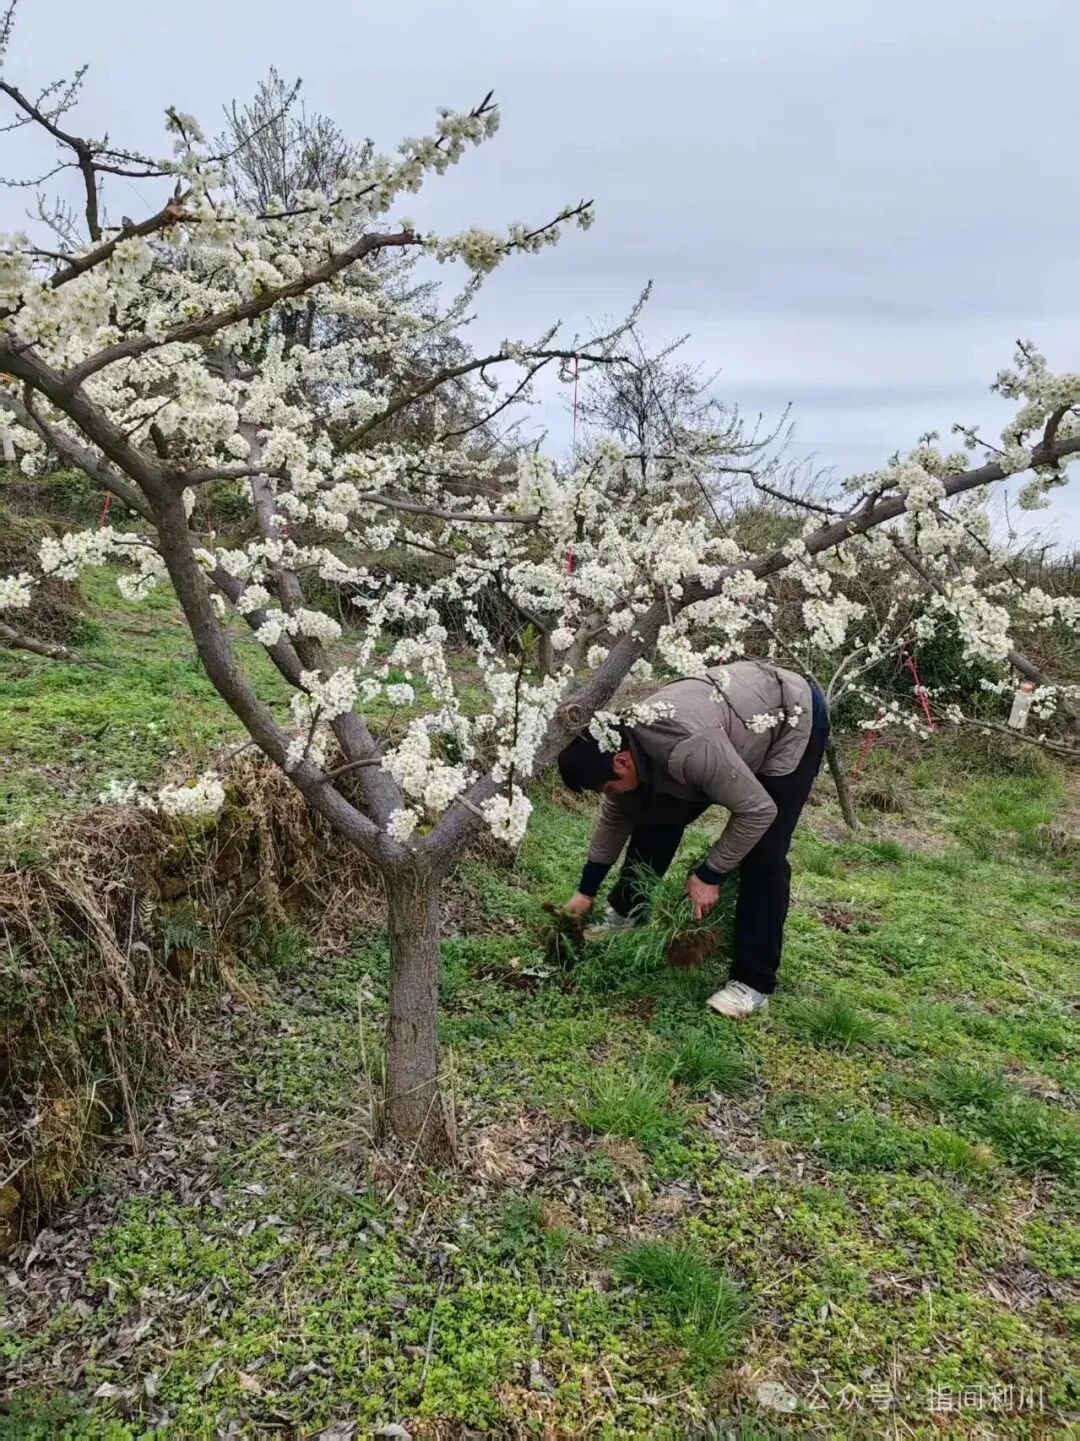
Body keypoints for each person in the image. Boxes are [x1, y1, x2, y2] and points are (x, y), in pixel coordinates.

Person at [557, 659, 829, 1018]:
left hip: (788, 719)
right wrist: (585, 890)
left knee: (763, 853)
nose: (609, 794)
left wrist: (710, 874)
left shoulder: (688, 747)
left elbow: (758, 811)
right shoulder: (617, 741)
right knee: (652, 812)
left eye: (607, 786)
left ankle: (754, 983)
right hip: (725, 722)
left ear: (622, 762)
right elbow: (616, 816)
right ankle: (627, 914)